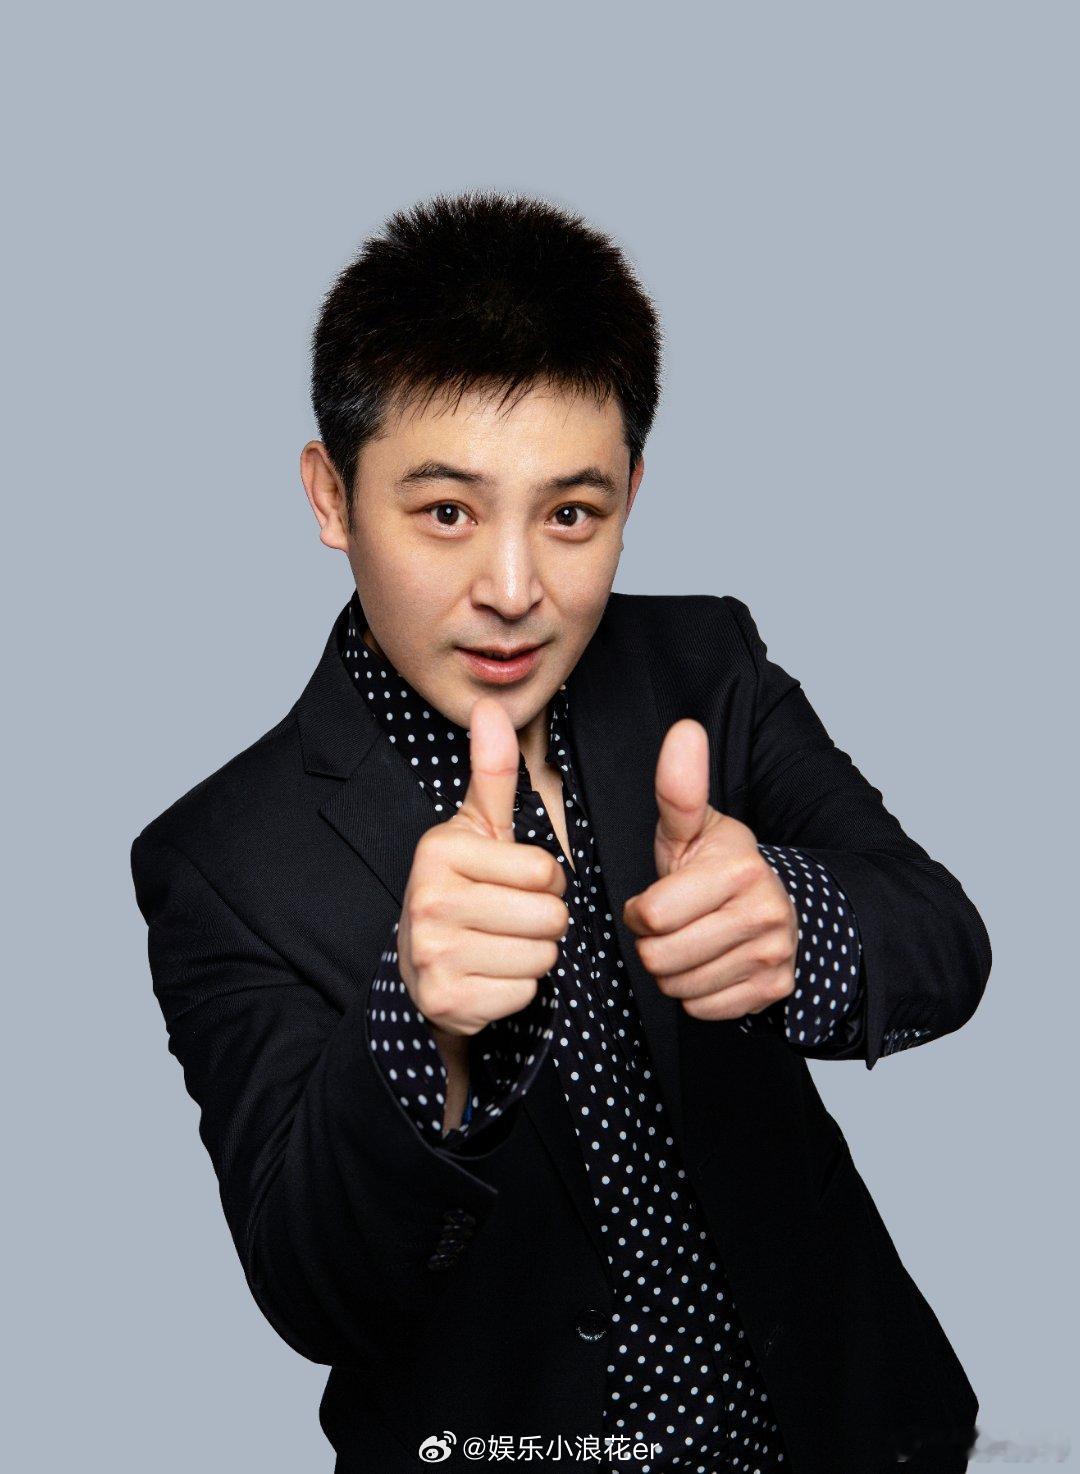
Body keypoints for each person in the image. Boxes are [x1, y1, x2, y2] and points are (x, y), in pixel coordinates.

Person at [130, 191, 991, 1474]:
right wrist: (416, 1031)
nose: (515, 590)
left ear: (631, 492)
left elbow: (946, 941)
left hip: (847, 1424)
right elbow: (317, 1293)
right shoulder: (219, 858)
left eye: (571, 514)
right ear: (331, 495)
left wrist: (797, 923)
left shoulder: (706, 662)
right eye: (446, 513)